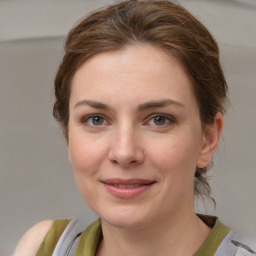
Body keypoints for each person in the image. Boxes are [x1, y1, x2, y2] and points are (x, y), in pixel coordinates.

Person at [13, 1, 255, 255]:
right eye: (96, 119)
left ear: (207, 139)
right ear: (68, 136)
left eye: (159, 119)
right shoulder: (43, 247)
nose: (124, 152)